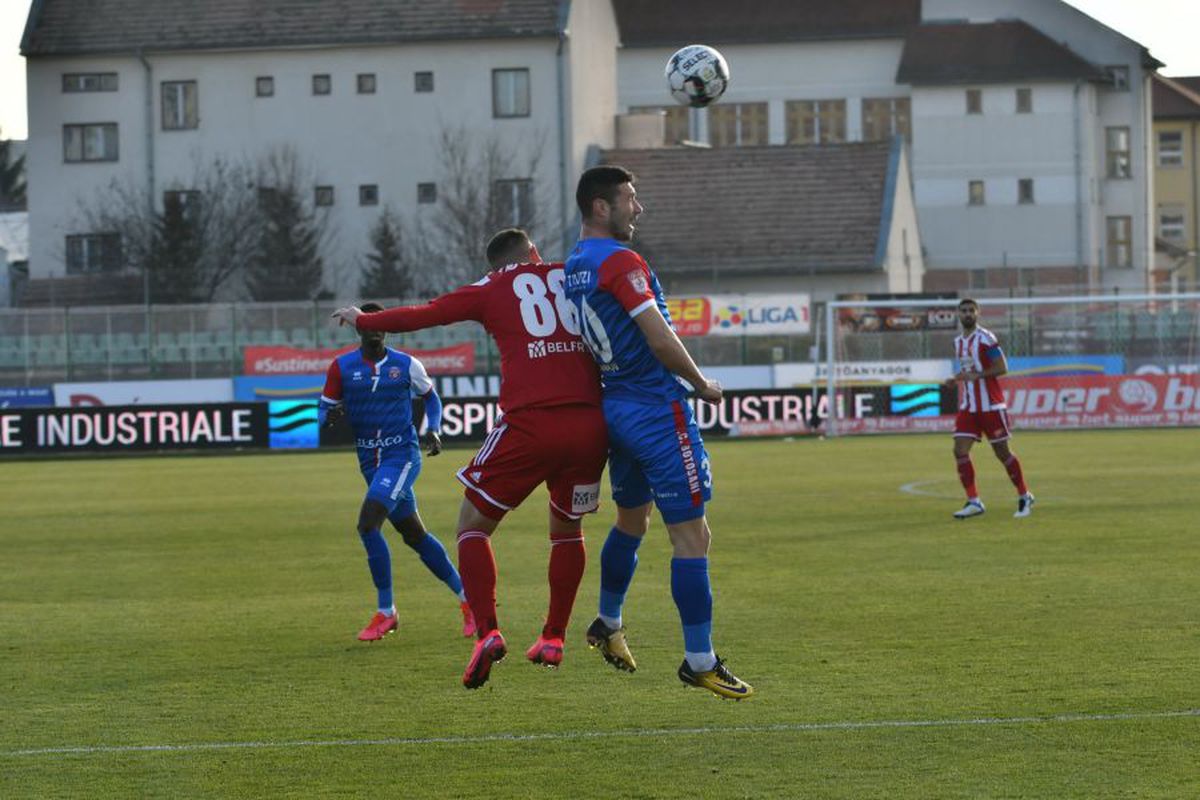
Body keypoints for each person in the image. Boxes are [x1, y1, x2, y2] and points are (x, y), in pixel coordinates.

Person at [331, 230, 608, 689]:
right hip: (589, 426)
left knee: (472, 525)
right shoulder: (570, 274)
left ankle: (488, 633)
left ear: (495, 267)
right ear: (535, 253)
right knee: (567, 530)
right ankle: (554, 636)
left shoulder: (493, 287)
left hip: (531, 424)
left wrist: (364, 320)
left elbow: (429, 314)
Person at [562, 165, 754, 700]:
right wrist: (700, 384)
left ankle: (607, 620)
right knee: (693, 537)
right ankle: (700, 661)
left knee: (631, 520)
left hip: (615, 406)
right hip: (654, 407)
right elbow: (661, 337)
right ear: (602, 207)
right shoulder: (620, 260)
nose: (637, 208)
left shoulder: (574, 264)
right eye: (629, 198)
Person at [319, 302, 475, 642]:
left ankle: (386, 612)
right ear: (359, 328)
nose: (375, 330)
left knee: (367, 524)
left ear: (386, 329)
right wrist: (329, 418)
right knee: (415, 536)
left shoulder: (406, 364)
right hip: (369, 461)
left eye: (380, 324)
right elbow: (324, 411)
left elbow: (431, 398)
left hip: (401, 455)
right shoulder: (341, 367)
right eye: (368, 324)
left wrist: (433, 428)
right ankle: (469, 602)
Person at [943, 297, 1035, 519]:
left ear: (977, 313)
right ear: (958, 314)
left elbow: (1002, 367)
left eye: (970, 310)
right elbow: (969, 370)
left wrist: (976, 375)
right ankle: (974, 501)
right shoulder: (958, 342)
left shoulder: (986, 338)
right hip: (969, 406)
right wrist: (956, 379)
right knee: (959, 450)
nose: (967, 314)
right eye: (963, 310)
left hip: (991, 405)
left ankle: (1024, 496)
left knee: (1002, 453)